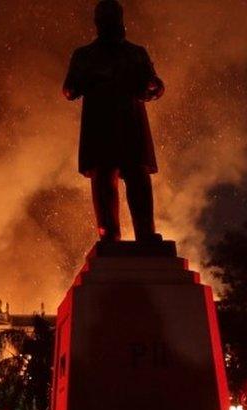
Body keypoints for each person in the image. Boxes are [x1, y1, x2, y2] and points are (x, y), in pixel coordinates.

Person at [64, 0, 165, 241]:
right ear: (98, 22)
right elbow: (69, 90)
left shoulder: (136, 53)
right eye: (105, 17)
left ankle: (146, 234)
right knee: (104, 178)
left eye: (113, 17)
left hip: (130, 122)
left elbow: (155, 84)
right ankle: (110, 235)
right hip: (101, 125)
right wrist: (96, 79)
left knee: (138, 177)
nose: (110, 22)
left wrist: (153, 86)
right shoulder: (85, 55)